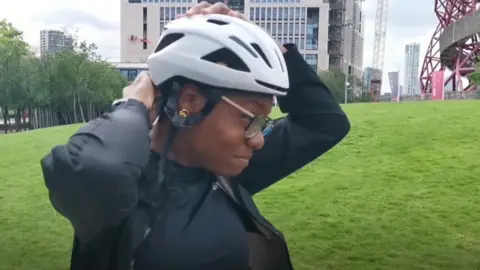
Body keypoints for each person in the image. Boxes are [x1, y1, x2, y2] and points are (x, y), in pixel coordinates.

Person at [41, 3, 350, 270]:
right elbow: (94, 166)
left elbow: (324, 122)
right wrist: (138, 99)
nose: (258, 140)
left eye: (262, 123)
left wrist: (256, 40)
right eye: (249, 118)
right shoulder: (121, 193)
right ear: (189, 101)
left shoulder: (225, 170)